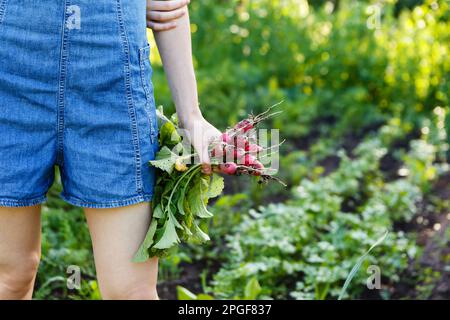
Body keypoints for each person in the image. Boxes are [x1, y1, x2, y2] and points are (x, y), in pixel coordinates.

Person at [0, 0, 220, 300]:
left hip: (113, 84)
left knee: (130, 290)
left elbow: (170, 5)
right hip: (10, 70)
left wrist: (191, 116)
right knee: (10, 275)